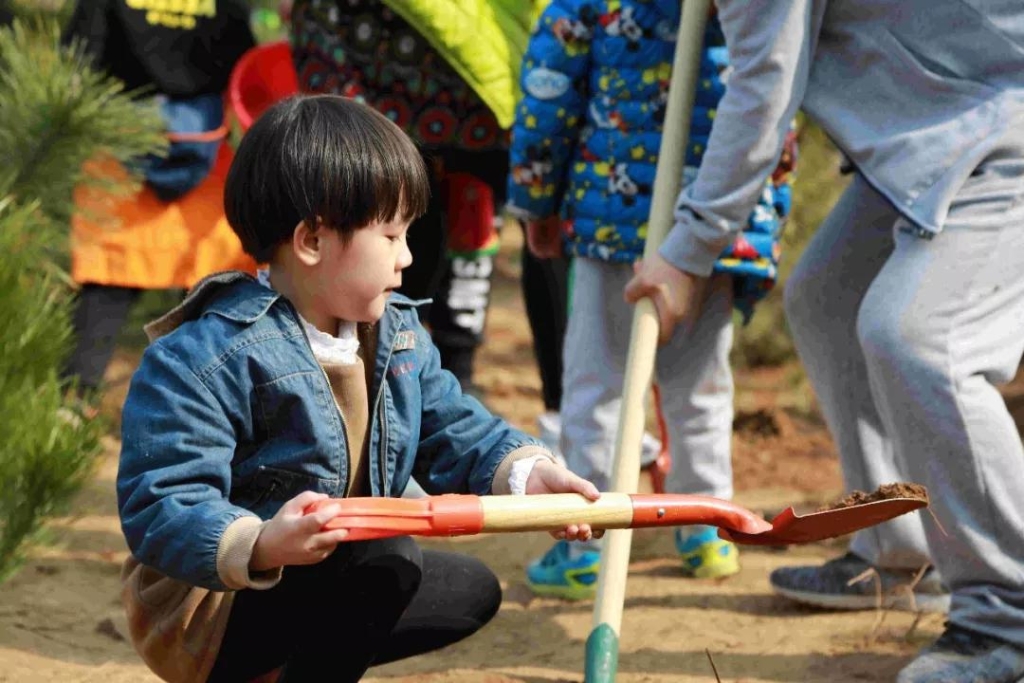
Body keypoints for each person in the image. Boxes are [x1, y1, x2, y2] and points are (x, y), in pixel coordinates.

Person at [115, 94, 602, 683]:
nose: (407, 257)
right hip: (210, 604)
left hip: (328, 569)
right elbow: (163, 503)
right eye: (391, 236)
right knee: (385, 559)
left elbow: (453, 429)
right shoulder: (206, 355)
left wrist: (528, 475)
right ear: (312, 241)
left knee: (465, 588)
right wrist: (263, 542)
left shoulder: (394, 334)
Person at [624, 1, 1024, 681]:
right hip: (941, 127)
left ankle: (1004, 613)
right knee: (829, 296)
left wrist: (689, 252)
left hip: (1001, 120)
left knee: (922, 340)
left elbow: (765, 85)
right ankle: (898, 547)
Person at [506, 2, 796, 599]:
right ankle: (706, 526)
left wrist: (536, 200)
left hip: (613, 228)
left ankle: (587, 542)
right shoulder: (750, 9)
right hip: (710, 231)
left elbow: (548, 95)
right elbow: (779, 101)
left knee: (597, 386)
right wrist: (767, 218)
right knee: (700, 389)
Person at [287, 0, 546, 393]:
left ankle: (454, 376)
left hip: (474, 98)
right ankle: (382, 369)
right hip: (381, 100)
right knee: (395, 243)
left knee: (463, 235)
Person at [61, 0, 257, 399]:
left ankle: (73, 404)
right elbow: (244, 63)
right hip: (205, 149)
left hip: (118, 149)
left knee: (107, 278)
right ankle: (207, 404)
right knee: (210, 286)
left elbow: (79, 54)